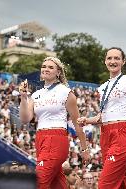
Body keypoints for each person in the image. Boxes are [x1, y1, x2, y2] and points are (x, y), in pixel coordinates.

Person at [78, 47, 126, 189]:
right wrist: (87, 120)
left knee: (105, 183)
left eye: (117, 58)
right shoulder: (102, 87)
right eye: (109, 58)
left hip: (121, 134)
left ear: (123, 61)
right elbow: (102, 116)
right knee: (120, 182)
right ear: (105, 61)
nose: (113, 61)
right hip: (105, 135)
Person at [19, 56, 89, 189]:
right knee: (57, 184)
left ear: (58, 72)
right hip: (40, 139)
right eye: (44, 66)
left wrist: (84, 148)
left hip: (56, 138)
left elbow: (77, 122)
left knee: (39, 181)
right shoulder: (36, 94)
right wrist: (23, 97)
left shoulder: (66, 92)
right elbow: (25, 119)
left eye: (51, 67)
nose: (46, 69)